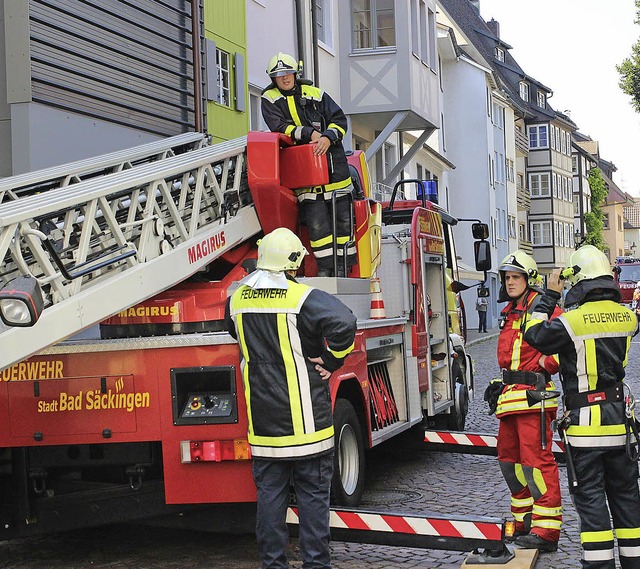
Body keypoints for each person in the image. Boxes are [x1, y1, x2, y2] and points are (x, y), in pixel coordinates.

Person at [224, 227, 357, 569]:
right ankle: (316, 565)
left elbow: (234, 331)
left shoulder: (237, 299)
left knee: (270, 499)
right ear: (293, 262)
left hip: (265, 427)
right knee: (313, 500)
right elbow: (345, 321)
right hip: (308, 427)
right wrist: (331, 360)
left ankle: (273, 564)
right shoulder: (301, 298)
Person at [524, 244, 640, 569]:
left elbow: (533, 334)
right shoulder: (627, 317)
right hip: (621, 426)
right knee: (628, 502)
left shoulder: (572, 321)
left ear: (577, 281)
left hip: (586, 431)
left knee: (591, 504)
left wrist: (548, 295)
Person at [484, 250, 563, 553]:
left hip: (534, 399)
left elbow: (563, 346)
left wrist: (546, 363)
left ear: (529, 280)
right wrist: (500, 383)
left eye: (516, 277)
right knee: (509, 463)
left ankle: (547, 529)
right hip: (512, 399)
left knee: (536, 464)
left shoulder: (542, 309)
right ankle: (524, 520)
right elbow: (511, 357)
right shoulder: (510, 310)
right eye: (507, 277)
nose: (510, 282)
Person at [261, 52, 356, 277]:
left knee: (343, 222)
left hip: (335, 169)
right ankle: (325, 269)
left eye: (288, 73)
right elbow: (278, 126)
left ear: (296, 74)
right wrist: (308, 134)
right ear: (273, 79)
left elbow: (339, 120)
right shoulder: (269, 98)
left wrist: (327, 137)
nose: (285, 78)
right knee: (317, 226)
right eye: (279, 75)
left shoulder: (315, 94)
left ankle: (344, 267)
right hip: (304, 173)